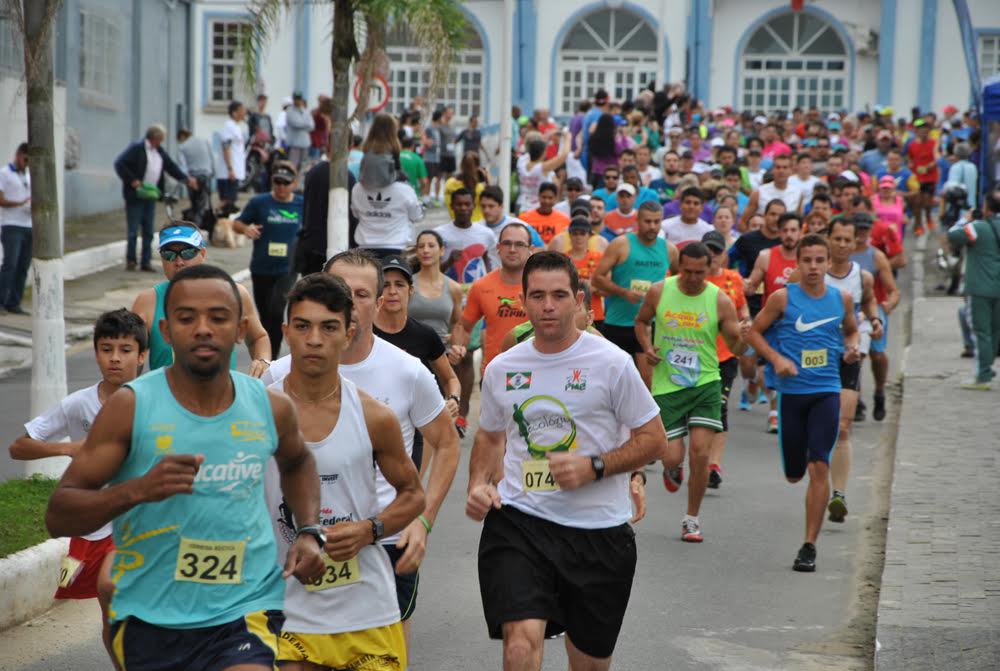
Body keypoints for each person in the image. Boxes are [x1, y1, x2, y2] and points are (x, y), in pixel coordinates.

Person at [46, 264, 326, 670]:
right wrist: (137, 490)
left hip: (244, 608)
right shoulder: (131, 406)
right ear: (164, 330)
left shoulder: (270, 406)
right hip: (149, 615)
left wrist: (309, 530)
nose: (203, 329)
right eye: (186, 318)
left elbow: (298, 461)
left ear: (240, 327)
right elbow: (59, 515)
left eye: (218, 317)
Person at [466, 251, 667, 671]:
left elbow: (653, 440)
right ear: (523, 301)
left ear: (579, 301)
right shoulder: (503, 367)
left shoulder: (612, 363)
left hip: (599, 534)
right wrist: (479, 484)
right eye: (537, 296)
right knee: (519, 645)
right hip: (520, 521)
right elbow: (488, 434)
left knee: (589, 664)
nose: (548, 306)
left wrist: (595, 466)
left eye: (559, 295)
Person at [264, 250, 460, 652]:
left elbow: (446, 443)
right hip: (290, 545)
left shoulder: (406, 370)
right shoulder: (277, 377)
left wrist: (422, 522)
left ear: (380, 298)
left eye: (361, 294)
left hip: (382, 540)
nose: (351, 303)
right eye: (341, 290)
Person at [9, 308, 147, 660]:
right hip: (95, 526)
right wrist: (68, 447)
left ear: (142, 355)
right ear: (96, 352)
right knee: (111, 612)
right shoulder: (77, 405)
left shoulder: (158, 399)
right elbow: (19, 446)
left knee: (118, 589)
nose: (115, 358)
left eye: (126, 349)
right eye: (106, 348)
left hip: (146, 522)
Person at [747, 235, 860, 573]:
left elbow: (852, 331)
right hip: (792, 396)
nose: (813, 267)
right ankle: (801, 479)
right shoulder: (783, 298)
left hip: (826, 390)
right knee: (796, 474)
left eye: (819, 260)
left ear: (828, 263)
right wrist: (776, 358)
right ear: (797, 263)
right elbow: (753, 332)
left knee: (819, 467)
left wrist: (852, 348)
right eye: (807, 260)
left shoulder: (842, 299)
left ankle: (809, 545)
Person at [634, 243, 747, 542]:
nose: (694, 278)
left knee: (700, 453)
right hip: (668, 384)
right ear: (677, 269)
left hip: (704, 383)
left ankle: (691, 519)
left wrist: (743, 341)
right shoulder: (660, 291)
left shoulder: (720, 301)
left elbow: (735, 347)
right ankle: (673, 469)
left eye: (700, 272)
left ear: (709, 269)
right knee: (671, 457)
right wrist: (647, 347)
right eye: (688, 271)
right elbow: (641, 322)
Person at [130, 224, 271, 376]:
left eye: (188, 253)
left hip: (221, 396)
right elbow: (131, 359)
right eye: (169, 255)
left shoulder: (234, 294)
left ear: (202, 253)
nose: (179, 262)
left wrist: (263, 362)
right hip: (164, 397)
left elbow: (258, 337)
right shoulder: (148, 302)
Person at [816, 217, 881, 522]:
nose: (842, 244)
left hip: (847, 356)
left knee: (843, 426)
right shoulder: (813, 275)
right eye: (837, 238)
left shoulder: (862, 276)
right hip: (814, 356)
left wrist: (875, 320)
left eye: (848, 240)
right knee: (816, 429)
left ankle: (838, 493)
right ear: (827, 239)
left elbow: (869, 303)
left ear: (856, 243)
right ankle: (817, 475)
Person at [593, 201, 677, 389]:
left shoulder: (669, 250)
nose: (652, 226)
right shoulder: (621, 244)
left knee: (647, 382)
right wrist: (623, 292)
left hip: (650, 324)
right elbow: (597, 278)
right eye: (647, 221)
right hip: (618, 322)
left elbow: (680, 282)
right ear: (637, 221)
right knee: (612, 382)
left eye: (657, 222)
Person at [374, 255, 461, 419]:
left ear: (411, 290)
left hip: (418, 427)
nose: (392, 291)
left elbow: (450, 379)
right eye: (385, 285)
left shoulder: (425, 335)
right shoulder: (364, 333)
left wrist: (453, 399)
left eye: (399, 285)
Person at [231, 161, 303, 359]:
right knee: (264, 315)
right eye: (277, 182)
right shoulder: (260, 202)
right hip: (262, 266)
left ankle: (271, 358)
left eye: (285, 183)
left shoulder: (301, 204)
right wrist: (246, 229)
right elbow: (237, 223)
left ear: (294, 184)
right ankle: (265, 355)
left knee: (277, 310)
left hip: (287, 268)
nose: (280, 187)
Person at [699, 231, 750, 490]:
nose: (712, 256)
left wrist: (745, 323)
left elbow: (743, 309)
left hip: (725, 355)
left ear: (724, 254)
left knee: (719, 408)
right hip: (695, 355)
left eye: (717, 251)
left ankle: (713, 466)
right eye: (708, 251)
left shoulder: (733, 280)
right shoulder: (690, 280)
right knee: (694, 412)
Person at [745, 212, 803, 432]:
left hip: (796, 323)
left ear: (800, 232)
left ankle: (775, 413)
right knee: (761, 372)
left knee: (788, 366)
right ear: (779, 233)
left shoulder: (806, 258)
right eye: (785, 230)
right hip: (769, 321)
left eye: (793, 230)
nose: (789, 235)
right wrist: (746, 285)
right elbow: (753, 283)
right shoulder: (766, 256)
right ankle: (771, 401)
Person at [451, 223, 533, 377]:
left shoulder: (540, 286)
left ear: (531, 250)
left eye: (519, 244)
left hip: (534, 372)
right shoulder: (481, 286)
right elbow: (463, 326)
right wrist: (457, 347)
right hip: (495, 373)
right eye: (507, 243)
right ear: (498, 248)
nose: (512, 249)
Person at [113, 125, 197, 271]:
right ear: (154, 138)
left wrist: (186, 179)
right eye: (160, 139)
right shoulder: (137, 148)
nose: (161, 142)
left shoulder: (159, 151)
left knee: (148, 231)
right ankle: (131, 260)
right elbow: (120, 164)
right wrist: (132, 180)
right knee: (133, 230)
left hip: (151, 195)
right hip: (136, 195)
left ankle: (146, 262)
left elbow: (171, 167)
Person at [730, 199, 785, 412]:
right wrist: (739, 281)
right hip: (750, 307)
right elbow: (727, 261)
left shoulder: (786, 245)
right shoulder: (748, 240)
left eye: (780, 215)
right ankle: (750, 380)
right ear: (765, 215)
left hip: (777, 313)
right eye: (772, 214)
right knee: (747, 363)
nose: (776, 219)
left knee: (772, 363)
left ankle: (774, 411)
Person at [947, 189, 1000, 390]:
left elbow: (953, 235)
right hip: (998, 288)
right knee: (994, 332)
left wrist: (965, 219)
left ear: (985, 208)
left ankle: (982, 374)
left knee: (980, 333)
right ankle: (987, 366)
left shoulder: (977, 227)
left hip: (979, 287)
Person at [850, 213, 900, 421]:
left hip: (874, 306)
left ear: (870, 231)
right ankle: (856, 399)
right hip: (850, 308)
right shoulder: (842, 254)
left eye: (865, 230)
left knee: (877, 355)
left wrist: (889, 304)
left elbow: (893, 290)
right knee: (855, 355)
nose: (861, 234)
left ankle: (879, 392)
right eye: (857, 230)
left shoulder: (876, 256)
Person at [350, 153, 423, 259]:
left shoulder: (357, 188)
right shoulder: (404, 189)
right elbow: (417, 216)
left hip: (365, 247)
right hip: (396, 247)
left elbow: (356, 214)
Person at [0, 142, 32, 313]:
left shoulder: (28, 176)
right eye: (25, 159)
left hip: (28, 225)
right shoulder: (5, 174)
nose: (27, 164)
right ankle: (1, 300)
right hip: (11, 225)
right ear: (18, 155)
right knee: (10, 264)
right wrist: (19, 204)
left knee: (23, 266)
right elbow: (1, 200)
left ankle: (14, 302)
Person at [740, 154, 803, 232]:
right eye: (778, 167)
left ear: (791, 170)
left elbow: (800, 222)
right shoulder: (759, 192)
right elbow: (743, 222)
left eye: (785, 167)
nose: (781, 171)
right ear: (773, 170)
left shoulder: (798, 193)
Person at [517, 130, 571, 212]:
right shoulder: (542, 168)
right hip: (536, 208)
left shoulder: (521, 162)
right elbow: (564, 155)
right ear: (543, 153)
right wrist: (568, 138)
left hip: (521, 205)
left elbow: (533, 147)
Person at [906, 119, 939, 235]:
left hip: (930, 177)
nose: (923, 133)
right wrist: (910, 165)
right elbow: (909, 159)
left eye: (926, 131)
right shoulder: (912, 145)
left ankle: (929, 217)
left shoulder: (933, 143)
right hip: (917, 178)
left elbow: (937, 158)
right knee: (917, 202)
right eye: (921, 131)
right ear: (917, 132)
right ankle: (918, 224)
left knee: (927, 202)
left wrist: (929, 166)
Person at [214, 100, 248, 213]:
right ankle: (213, 217)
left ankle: (223, 223)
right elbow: (226, 148)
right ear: (234, 113)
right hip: (228, 173)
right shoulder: (229, 127)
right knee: (227, 201)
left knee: (230, 202)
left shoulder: (236, 127)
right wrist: (230, 169)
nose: (245, 113)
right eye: (242, 110)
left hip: (234, 171)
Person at [445, 151, 489, 222]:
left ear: (461, 165)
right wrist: (487, 178)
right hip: (478, 225)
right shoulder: (480, 188)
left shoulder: (449, 184)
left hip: (456, 225)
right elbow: (490, 202)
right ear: (477, 167)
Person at [285, 92, 315, 172]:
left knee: (303, 166)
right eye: (296, 99)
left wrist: (303, 124)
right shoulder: (290, 110)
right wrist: (305, 124)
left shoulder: (305, 111)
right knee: (293, 166)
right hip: (295, 144)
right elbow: (295, 123)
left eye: (299, 99)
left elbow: (312, 125)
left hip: (305, 143)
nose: (298, 101)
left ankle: (300, 182)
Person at [399, 133, 429, 199]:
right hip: (412, 193)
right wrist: (419, 191)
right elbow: (424, 182)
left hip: (397, 194)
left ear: (401, 145)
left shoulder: (394, 157)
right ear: (413, 146)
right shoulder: (418, 159)